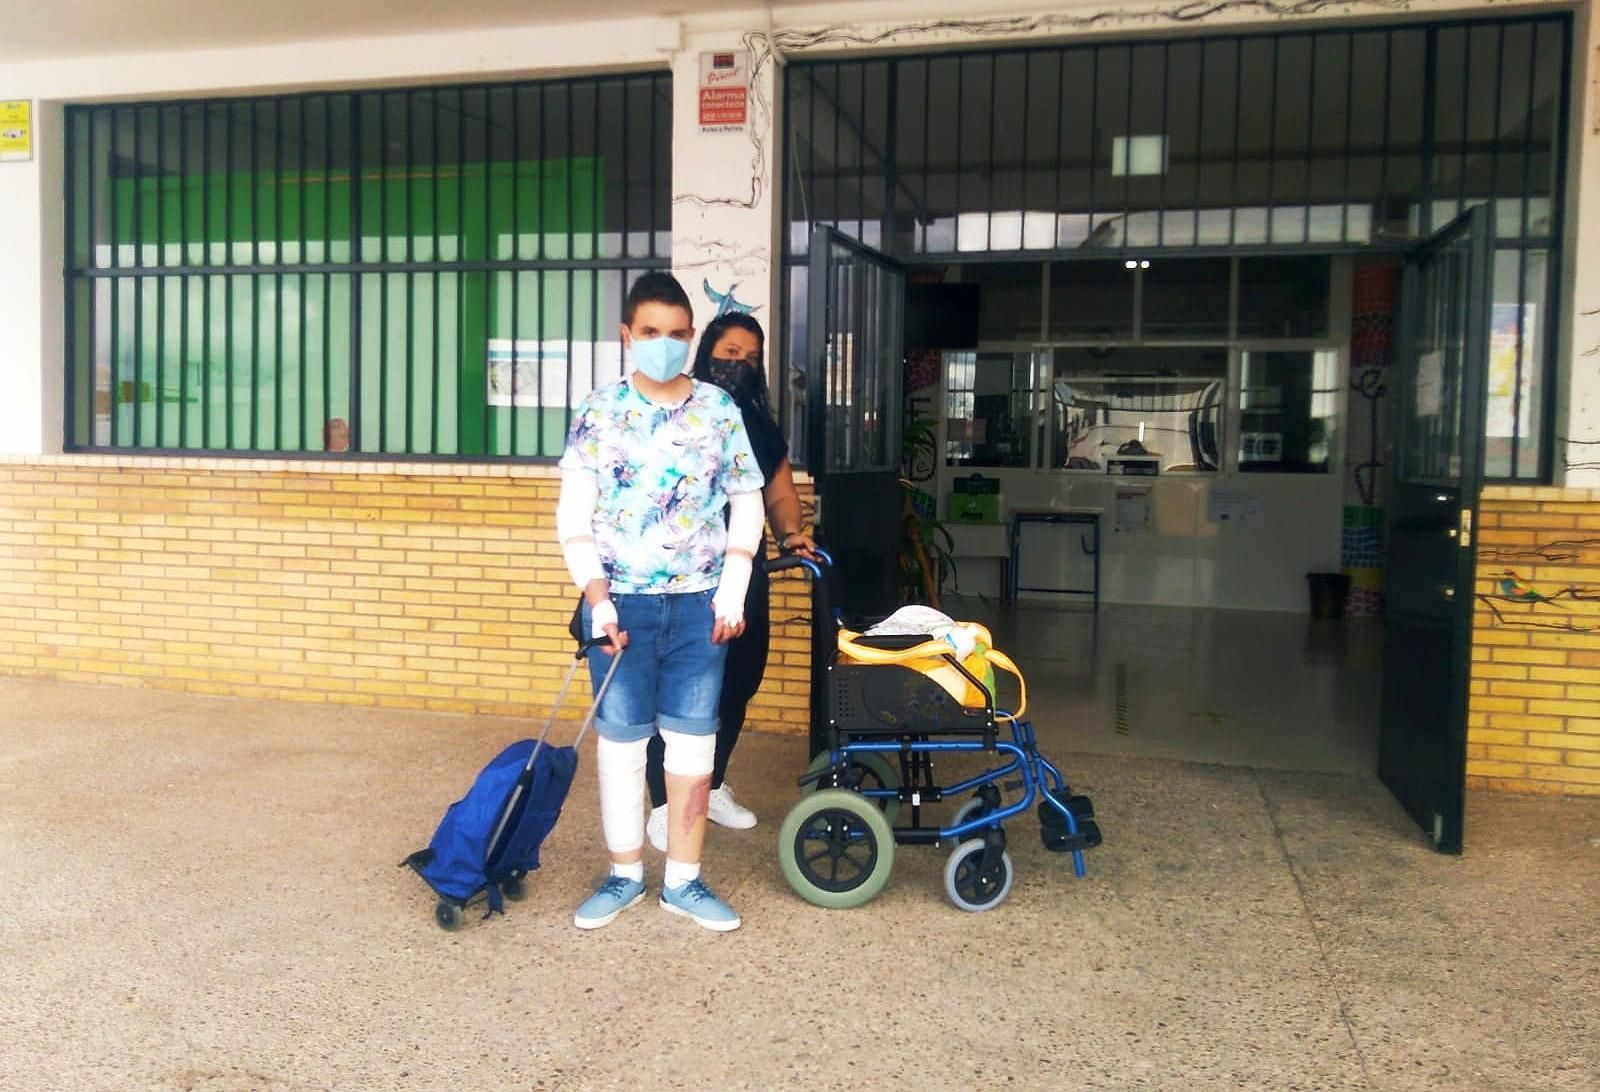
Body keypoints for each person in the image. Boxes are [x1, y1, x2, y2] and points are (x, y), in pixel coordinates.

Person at [556, 273, 766, 933]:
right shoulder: (597, 412)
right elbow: (573, 514)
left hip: (700, 610)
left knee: (693, 750)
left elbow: (747, 501)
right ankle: (623, 876)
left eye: (678, 333)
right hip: (623, 609)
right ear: (627, 336)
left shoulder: (718, 411)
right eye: (651, 332)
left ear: (690, 337)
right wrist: (597, 598)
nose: (665, 345)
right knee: (620, 749)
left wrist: (732, 591)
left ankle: (684, 881)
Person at [642, 314, 817, 852]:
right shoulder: (677, 413)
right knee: (679, 692)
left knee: (738, 683)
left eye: (749, 356)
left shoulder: (758, 425)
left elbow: (781, 492)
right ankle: (666, 803)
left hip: (745, 577)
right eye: (729, 352)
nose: (738, 364)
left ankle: (711, 786)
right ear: (706, 353)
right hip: (682, 576)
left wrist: (792, 535)